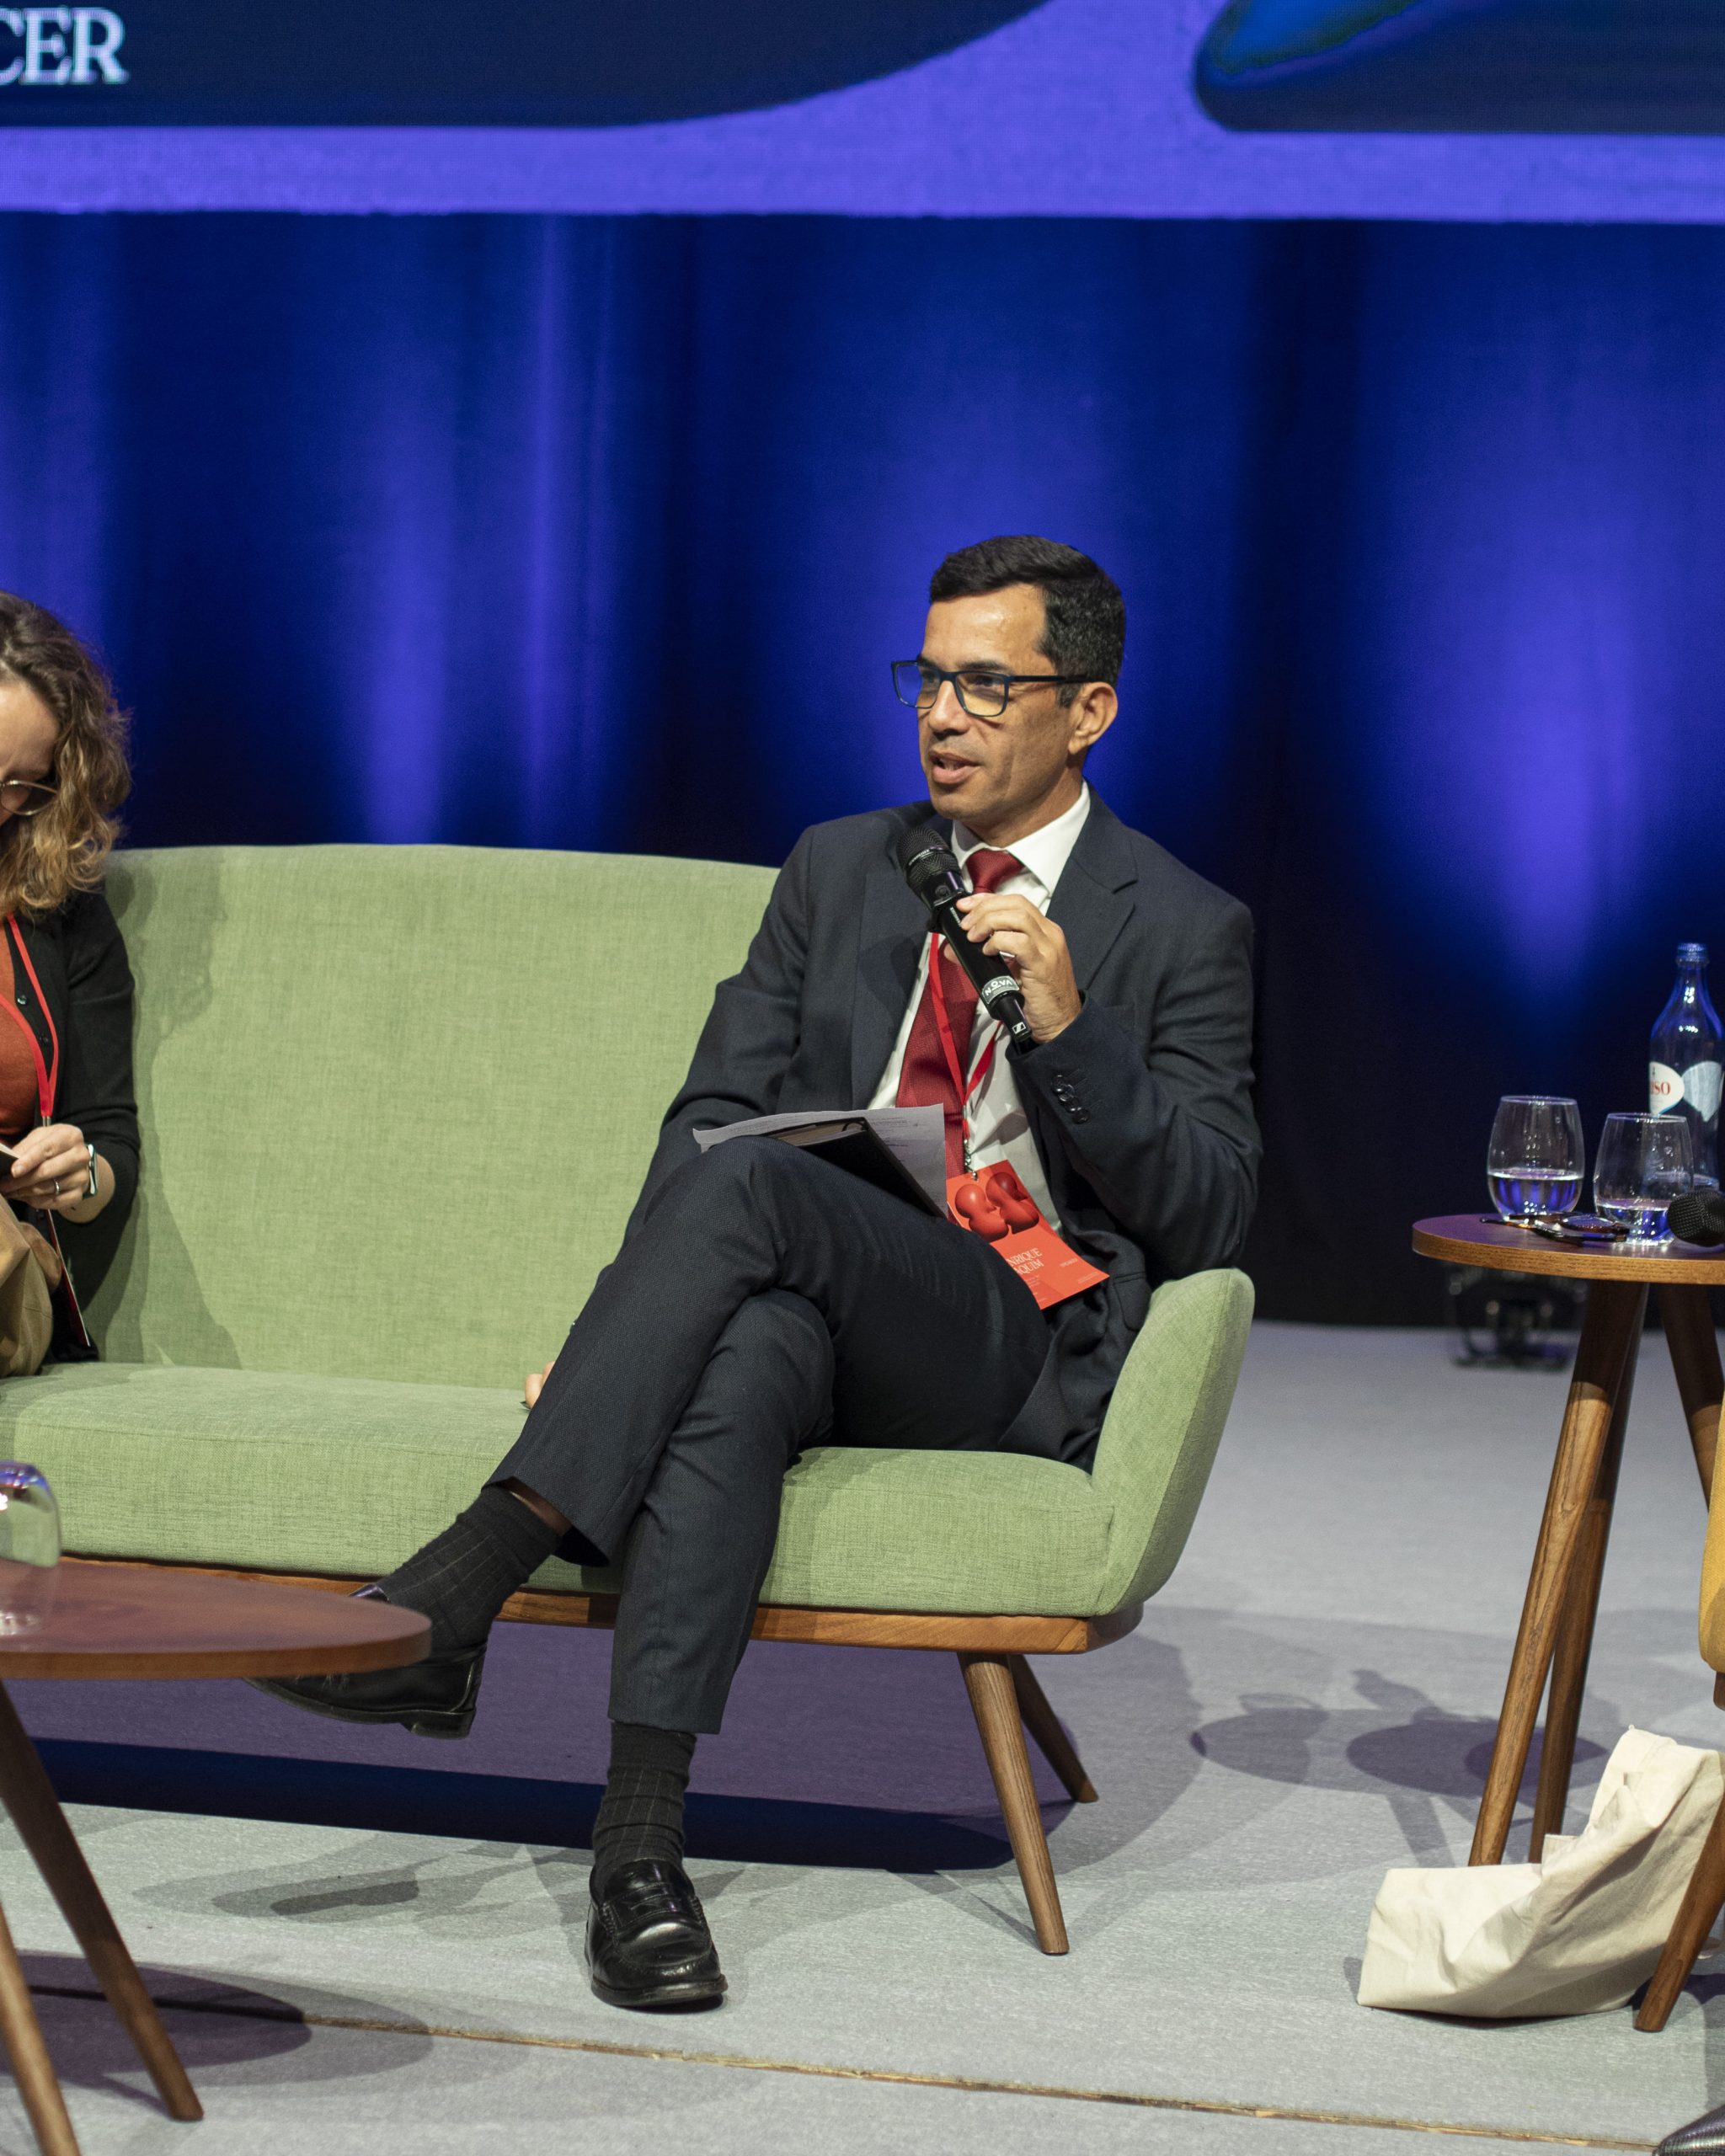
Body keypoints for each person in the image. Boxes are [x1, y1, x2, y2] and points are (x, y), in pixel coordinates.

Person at [253, 535, 1261, 2011]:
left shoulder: (1178, 922)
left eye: (987, 686)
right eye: (928, 679)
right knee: (741, 1350)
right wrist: (629, 1340)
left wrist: (1070, 1028)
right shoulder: (840, 866)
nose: (942, 716)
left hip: (1007, 1333)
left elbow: (1216, 1215)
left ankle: (458, 1590)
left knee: (757, 1188)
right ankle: (638, 1856)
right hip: (821, 1293)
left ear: (1088, 711)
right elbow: (712, 1113)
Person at [0, 593, 138, 1369]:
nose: (3, 806)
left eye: (25, 783)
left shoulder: (63, 910)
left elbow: (110, 1138)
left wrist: (81, 1174)